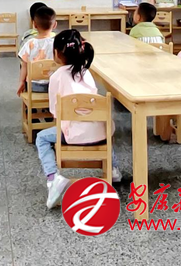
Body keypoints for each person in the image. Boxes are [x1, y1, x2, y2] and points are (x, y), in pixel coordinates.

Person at [35, 30, 121, 209]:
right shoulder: (86, 72)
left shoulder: (56, 76)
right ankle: (113, 169)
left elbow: (55, 112)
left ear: (56, 53)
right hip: (101, 133)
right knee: (106, 126)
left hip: (74, 134)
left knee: (42, 138)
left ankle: (53, 178)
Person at [17, 6, 57, 95]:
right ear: (55, 25)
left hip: (33, 85)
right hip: (53, 85)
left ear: (34, 25)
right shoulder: (57, 44)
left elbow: (24, 66)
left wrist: (21, 82)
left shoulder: (29, 43)